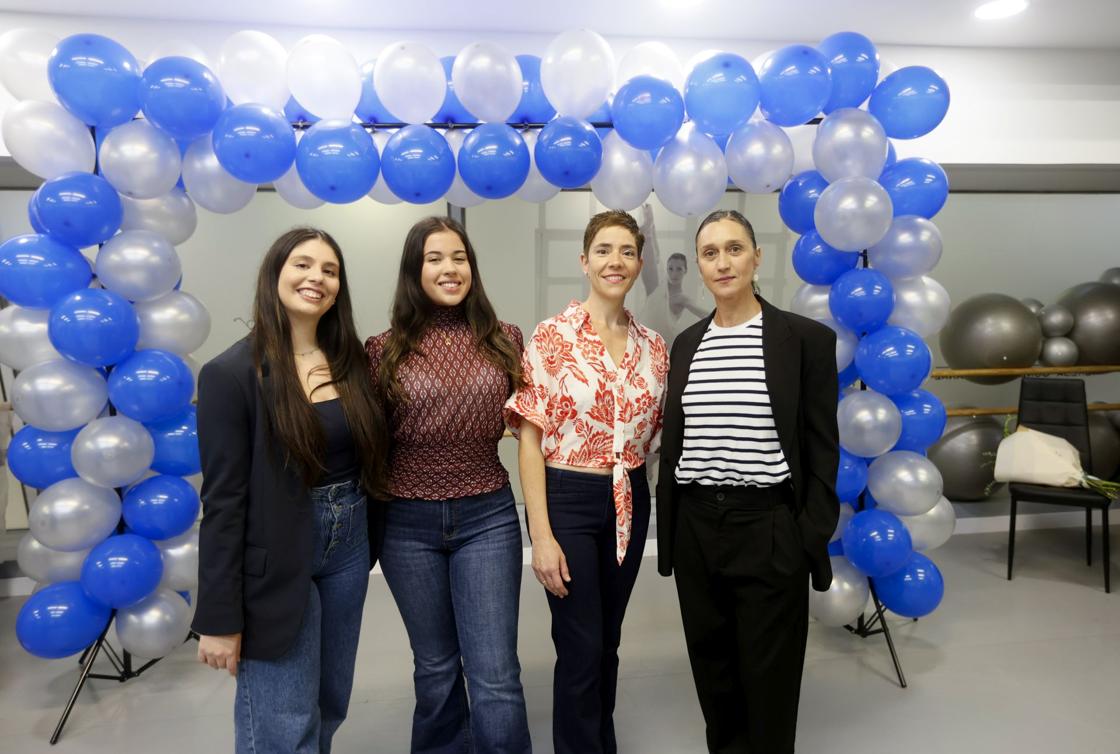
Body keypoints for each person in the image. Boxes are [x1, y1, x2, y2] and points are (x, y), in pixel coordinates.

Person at [193, 227, 388, 754]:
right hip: (277, 552)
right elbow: (223, 504)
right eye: (302, 265)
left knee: (329, 703)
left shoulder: (351, 364)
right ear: (275, 273)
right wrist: (218, 619)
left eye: (329, 270)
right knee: (283, 718)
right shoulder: (230, 375)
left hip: (348, 547)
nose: (316, 279)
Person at [655, 209, 840, 754]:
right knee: (714, 673)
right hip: (695, 526)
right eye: (709, 253)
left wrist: (807, 534)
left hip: (769, 527)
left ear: (757, 258)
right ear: (700, 267)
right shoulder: (686, 344)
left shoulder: (804, 340)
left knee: (770, 679)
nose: (722, 262)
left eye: (734, 248)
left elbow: (822, 446)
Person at [366, 216, 531, 753]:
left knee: (495, 673)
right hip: (406, 523)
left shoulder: (505, 339)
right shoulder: (382, 349)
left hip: (488, 516)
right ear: (415, 271)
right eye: (434, 258)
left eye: (458, 257)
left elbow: (531, 426)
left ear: (472, 267)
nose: (449, 268)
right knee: (435, 668)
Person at [506, 210, 668, 754]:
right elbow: (530, 437)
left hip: (630, 497)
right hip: (568, 496)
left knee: (609, 643)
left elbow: (658, 437)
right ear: (584, 260)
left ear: (639, 263)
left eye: (626, 251)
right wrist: (542, 535)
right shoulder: (552, 337)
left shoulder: (654, 347)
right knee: (580, 644)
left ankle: (602, 743)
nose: (614, 261)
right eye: (603, 250)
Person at [637, 203, 707, 348]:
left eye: (679, 269)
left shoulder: (682, 298)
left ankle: (648, 234)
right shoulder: (661, 285)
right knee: (655, 277)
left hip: (664, 342)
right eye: (671, 268)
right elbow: (656, 257)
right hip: (646, 335)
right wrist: (651, 223)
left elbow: (704, 314)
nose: (674, 273)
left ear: (685, 271)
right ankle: (648, 234)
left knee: (655, 284)